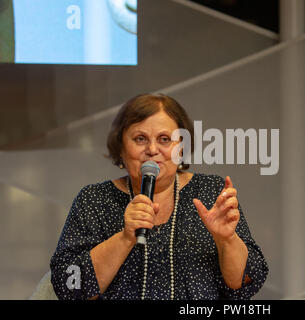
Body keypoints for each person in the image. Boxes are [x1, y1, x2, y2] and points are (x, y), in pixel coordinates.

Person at [50, 94, 268, 300]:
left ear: (181, 147)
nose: (152, 149)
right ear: (121, 148)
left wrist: (226, 240)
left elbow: (247, 282)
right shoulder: (94, 199)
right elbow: (69, 286)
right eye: (140, 138)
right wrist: (124, 238)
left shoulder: (211, 191)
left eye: (164, 139)